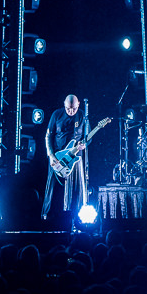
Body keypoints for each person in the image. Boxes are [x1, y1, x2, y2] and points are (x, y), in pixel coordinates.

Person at [43, 94, 88, 224]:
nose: (71, 111)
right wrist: (51, 156)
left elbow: (88, 137)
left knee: (78, 190)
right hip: (57, 157)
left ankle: (78, 219)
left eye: (73, 109)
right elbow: (48, 136)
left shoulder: (83, 116)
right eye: (68, 109)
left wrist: (84, 145)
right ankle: (47, 217)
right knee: (52, 188)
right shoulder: (56, 114)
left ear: (78, 104)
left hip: (75, 158)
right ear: (64, 104)